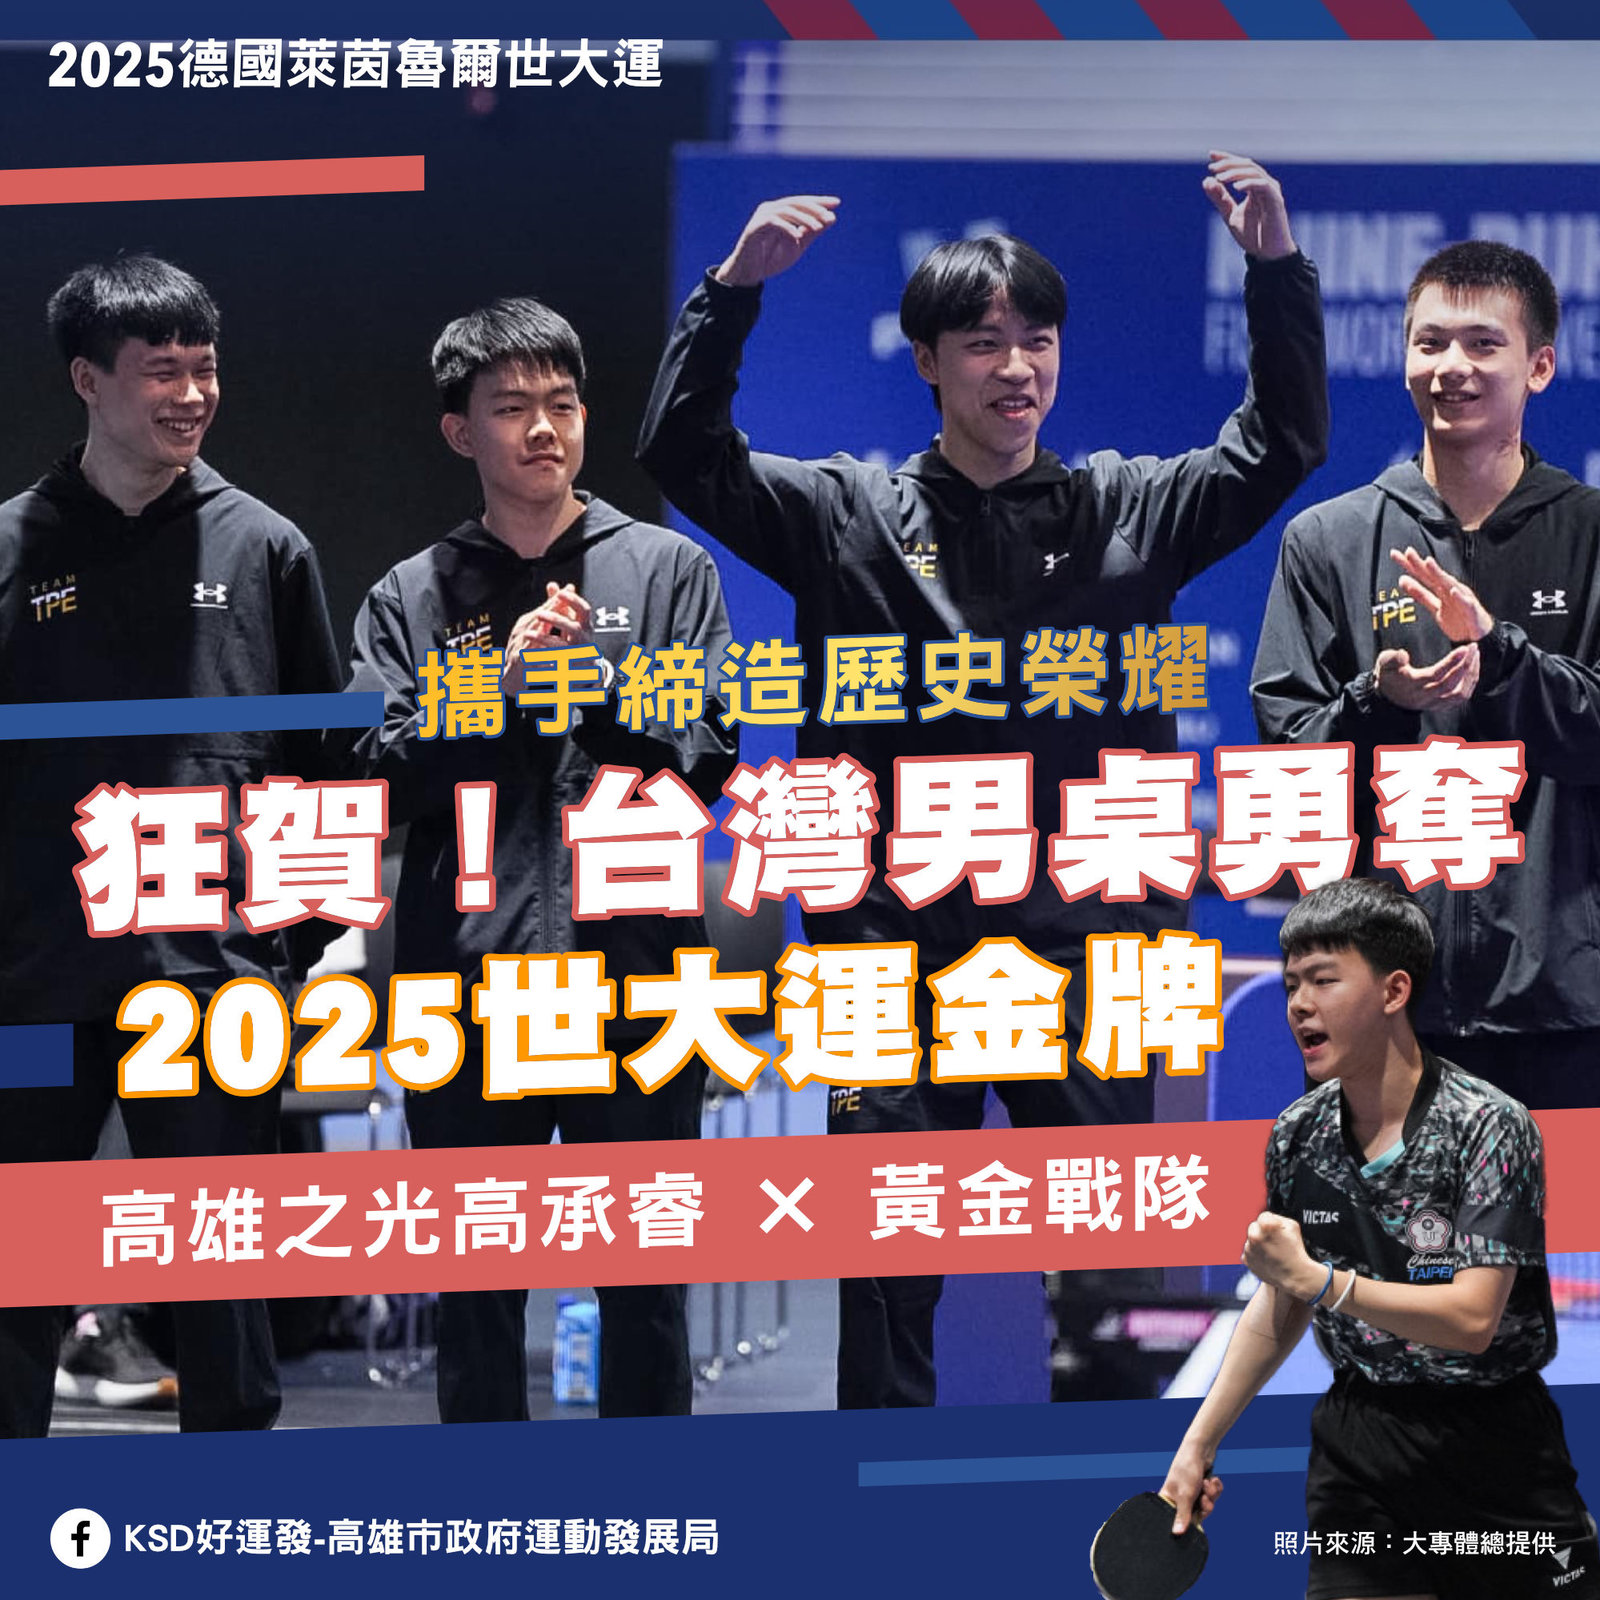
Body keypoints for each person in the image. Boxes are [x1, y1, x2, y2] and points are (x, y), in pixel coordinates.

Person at [639, 154, 1328, 1407]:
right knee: (885, 1267)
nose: (1017, 368)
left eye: (1037, 342)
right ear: (927, 361)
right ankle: (874, 1493)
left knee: (1107, 1269)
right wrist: (729, 292)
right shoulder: (845, 514)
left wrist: (1275, 270)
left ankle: (1109, 1498)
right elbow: (682, 452)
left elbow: (1281, 441)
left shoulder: (1132, 507)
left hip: (1093, 947)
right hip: (887, 954)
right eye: (983, 344)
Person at [344, 297, 736, 1422]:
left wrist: (593, 692)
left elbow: (707, 754)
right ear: (458, 430)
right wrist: (495, 696)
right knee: (477, 1291)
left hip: (637, 980)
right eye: (511, 407)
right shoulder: (409, 595)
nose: (543, 428)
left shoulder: (665, 570)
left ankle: (653, 1506)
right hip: (467, 990)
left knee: (644, 1286)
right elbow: (369, 777)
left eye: (562, 403)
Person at [0, 253, 344, 1435]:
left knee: (219, 1266)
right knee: (18, 1257)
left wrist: (281, 949)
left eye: (205, 368)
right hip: (31, 986)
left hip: (211, 980)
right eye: (162, 371)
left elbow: (323, 770)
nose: (192, 394)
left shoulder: (266, 548)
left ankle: (226, 1515)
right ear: (87, 379)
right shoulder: (12, 548)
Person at [1158, 877, 1598, 1600]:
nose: (1299, 1003)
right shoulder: (1297, 1135)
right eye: (1291, 984)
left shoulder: (1488, 1125)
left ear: (1394, 991)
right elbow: (1282, 1300)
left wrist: (1323, 1283)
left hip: (1497, 1451)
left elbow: (1472, 1320)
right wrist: (1198, 1442)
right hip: (1359, 1448)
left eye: (1324, 980)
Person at [1253, 240, 1600, 1110]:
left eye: (1483, 344)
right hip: (1381, 1003)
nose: (1452, 367)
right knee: (1376, 1209)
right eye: (1431, 342)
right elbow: (1288, 765)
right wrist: (1378, 701)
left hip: (1566, 1003)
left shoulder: (1591, 536)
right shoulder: (1327, 541)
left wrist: (1501, 657)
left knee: (1556, 1207)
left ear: (1540, 366)